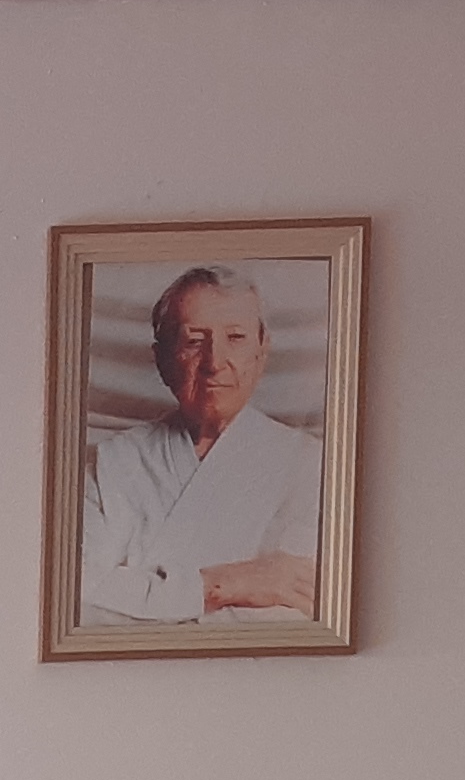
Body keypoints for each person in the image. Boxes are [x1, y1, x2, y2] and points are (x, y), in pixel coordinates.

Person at [77, 266, 325, 629]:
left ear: (262, 352)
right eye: (194, 341)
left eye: (236, 337)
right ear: (162, 359)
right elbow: (77, 601)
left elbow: (296, 614)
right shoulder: (112, 464)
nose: (214, 363)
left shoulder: (310, 465)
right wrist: (221, 587)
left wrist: (143, 598)